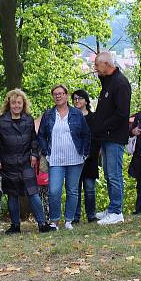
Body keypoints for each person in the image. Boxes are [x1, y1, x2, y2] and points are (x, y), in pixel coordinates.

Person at [0, 89, 54, 233]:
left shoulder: (28, 119)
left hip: (26, 163)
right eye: (13, 103)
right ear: (9, 104)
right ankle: (15, 225)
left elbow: (34, 141)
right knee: (12, 194)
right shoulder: (1, 121)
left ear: (23, 104)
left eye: (19, 103)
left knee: (33, 193)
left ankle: (42, 224)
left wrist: (34, 155)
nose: (16, 106)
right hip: (7, 163)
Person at [38, 84, 90, 230]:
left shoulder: (76, 114)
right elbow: (41, 135)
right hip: (54, 159)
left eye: (61, 93)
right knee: (54, 190)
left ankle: (69, 220)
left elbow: (86, 134)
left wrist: (85, 153)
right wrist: (45, 152)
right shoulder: (48, 114)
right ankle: (54, 220)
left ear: (66, 96)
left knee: (72, 190)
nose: (58, 96)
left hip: (75, 158)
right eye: (55, 94)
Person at [89, 51, 131, 225]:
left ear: (107, 64)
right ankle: (113, 206)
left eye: (97, 64)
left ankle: (117, 211)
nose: (95, 68)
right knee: (107, 173)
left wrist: (101, 126)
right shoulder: (109, 81)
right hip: (106, 137)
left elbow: (122, 114)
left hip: (114, 136)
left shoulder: (120, 83)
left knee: (114, 174)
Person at [71, 89, 100, 223]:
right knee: (74, 188)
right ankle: (75, 216)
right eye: (75, 99)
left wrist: (90, 153)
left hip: (90, 157)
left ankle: (91, 215)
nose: (77, 101)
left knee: (89, 188)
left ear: (86, 101)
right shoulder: (70, 117)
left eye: (80, 98)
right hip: (74, 157)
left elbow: (96, 138)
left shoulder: (94, 118)